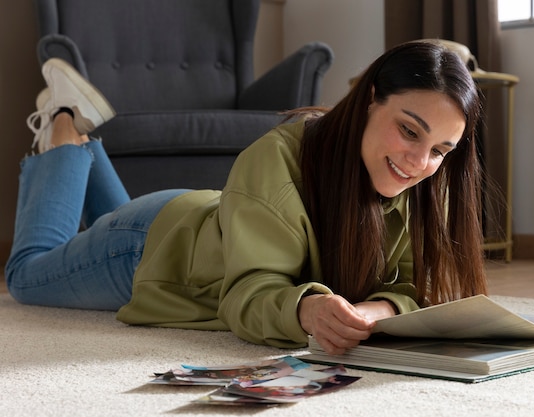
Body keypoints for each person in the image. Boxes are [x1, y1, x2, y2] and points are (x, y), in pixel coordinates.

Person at [5, 40, 487, 356]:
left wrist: (374, 313)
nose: (419, 162)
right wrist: (308, 310)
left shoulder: (424, 181)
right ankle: (65, 122)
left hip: (211, 222)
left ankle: (85, 141)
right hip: (151, 248)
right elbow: (246, 293)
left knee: (106, 219)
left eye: (439, 150)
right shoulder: (279, 157)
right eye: (408, 130)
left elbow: (410, 288)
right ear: (369, 98)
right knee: (26, 276)